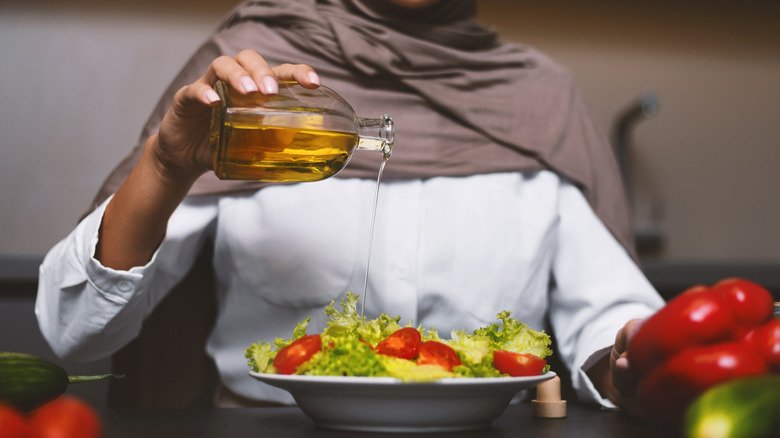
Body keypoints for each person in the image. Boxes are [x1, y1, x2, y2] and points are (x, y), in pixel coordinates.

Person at [35, 0, 663, 414]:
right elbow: (75, 331)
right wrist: (167, 169)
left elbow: (613, 326)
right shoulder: (251, 87)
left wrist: (637, 356)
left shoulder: (541, 98)